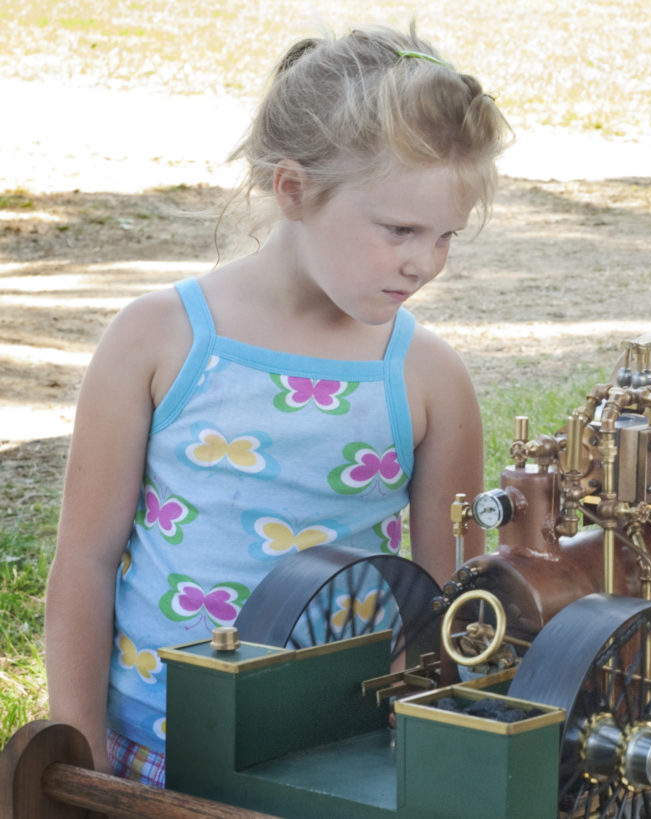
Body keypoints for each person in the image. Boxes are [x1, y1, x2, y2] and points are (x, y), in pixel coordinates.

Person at [44, 24, 511, 788]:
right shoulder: (158, 338)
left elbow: (442, 607)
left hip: (332, 764)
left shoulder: (429, 379)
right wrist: (82, 748)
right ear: (293, 188)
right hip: (149, 751)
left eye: (446, 236)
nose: (423, 262)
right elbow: (86, 560)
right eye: (398, 229)